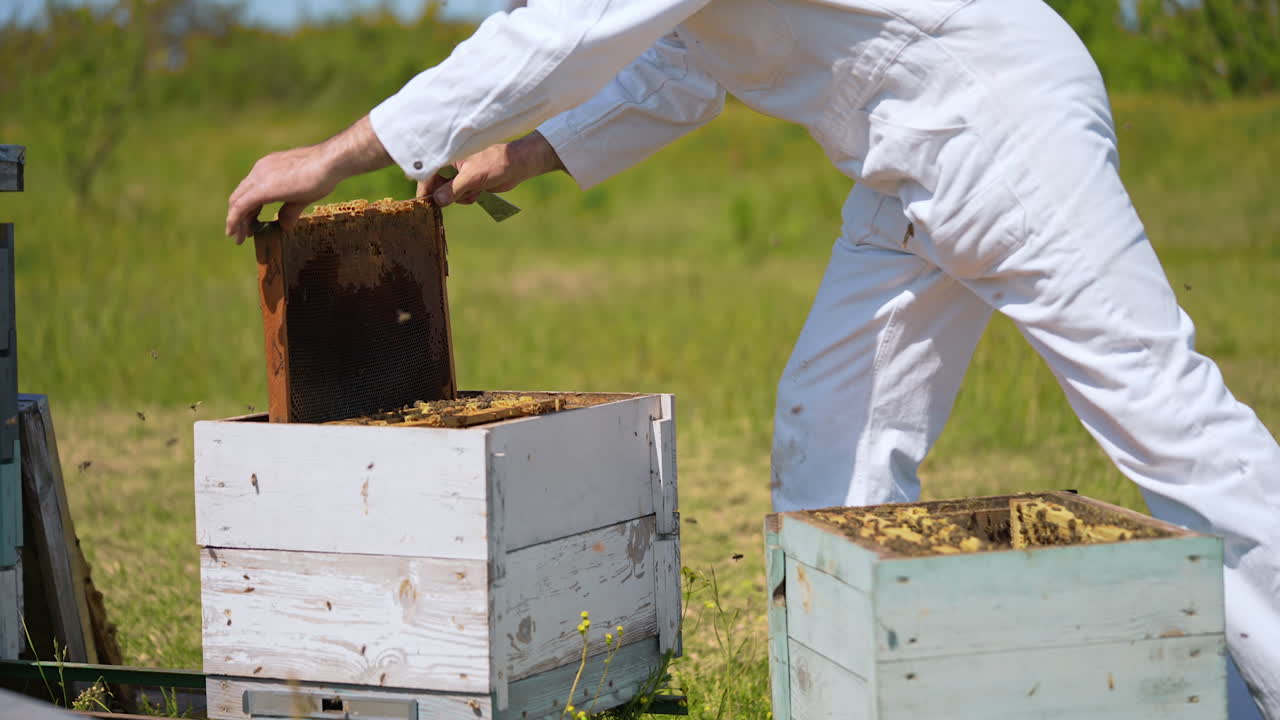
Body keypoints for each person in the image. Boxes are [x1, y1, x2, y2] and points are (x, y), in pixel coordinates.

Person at [225, 1, 1278, 716]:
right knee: (825, 427)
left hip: (1002, 120)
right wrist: (528, 154)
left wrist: (337, 151)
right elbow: (683, 64)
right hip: (904, 154)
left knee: (1160, 415)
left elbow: (561, 34)